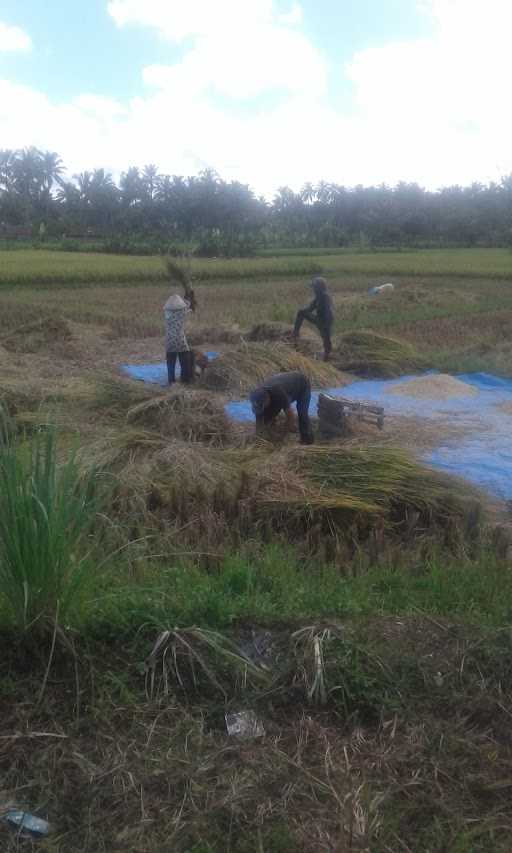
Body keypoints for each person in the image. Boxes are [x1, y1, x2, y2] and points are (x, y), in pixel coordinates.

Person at [249, 371, 314, 444]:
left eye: (263, 405)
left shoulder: (279, 394)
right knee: (268, 416)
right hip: (285, 387)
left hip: (302, 384)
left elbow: (290, 417)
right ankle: (273, 432)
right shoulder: (257, 396)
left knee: (302, 412)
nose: (262, 408)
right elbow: (259, 417)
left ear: (268, 399)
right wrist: (259, 435)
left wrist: (282, 436)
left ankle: (306, 439)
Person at [293, 276, 334, 361]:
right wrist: (305, 311)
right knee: (301, 312)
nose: (313, 289)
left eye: (314, 287)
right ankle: (295, 334)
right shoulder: (318, 297)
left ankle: (327, 356)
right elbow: (309, 309)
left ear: (319, 288)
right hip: (319, 320)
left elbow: (328, 312)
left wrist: (325, 326)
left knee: (326, 339)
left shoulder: (325, 297)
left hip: (325, 321)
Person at [163, 292, 194, 385]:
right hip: (179, 339)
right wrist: (188, 296)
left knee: (170, 362)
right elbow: (189, 307)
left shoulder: (167, 313)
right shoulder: (181, 312)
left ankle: (171, 380)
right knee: (184, 360)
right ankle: (185, 380)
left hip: (169, 340)